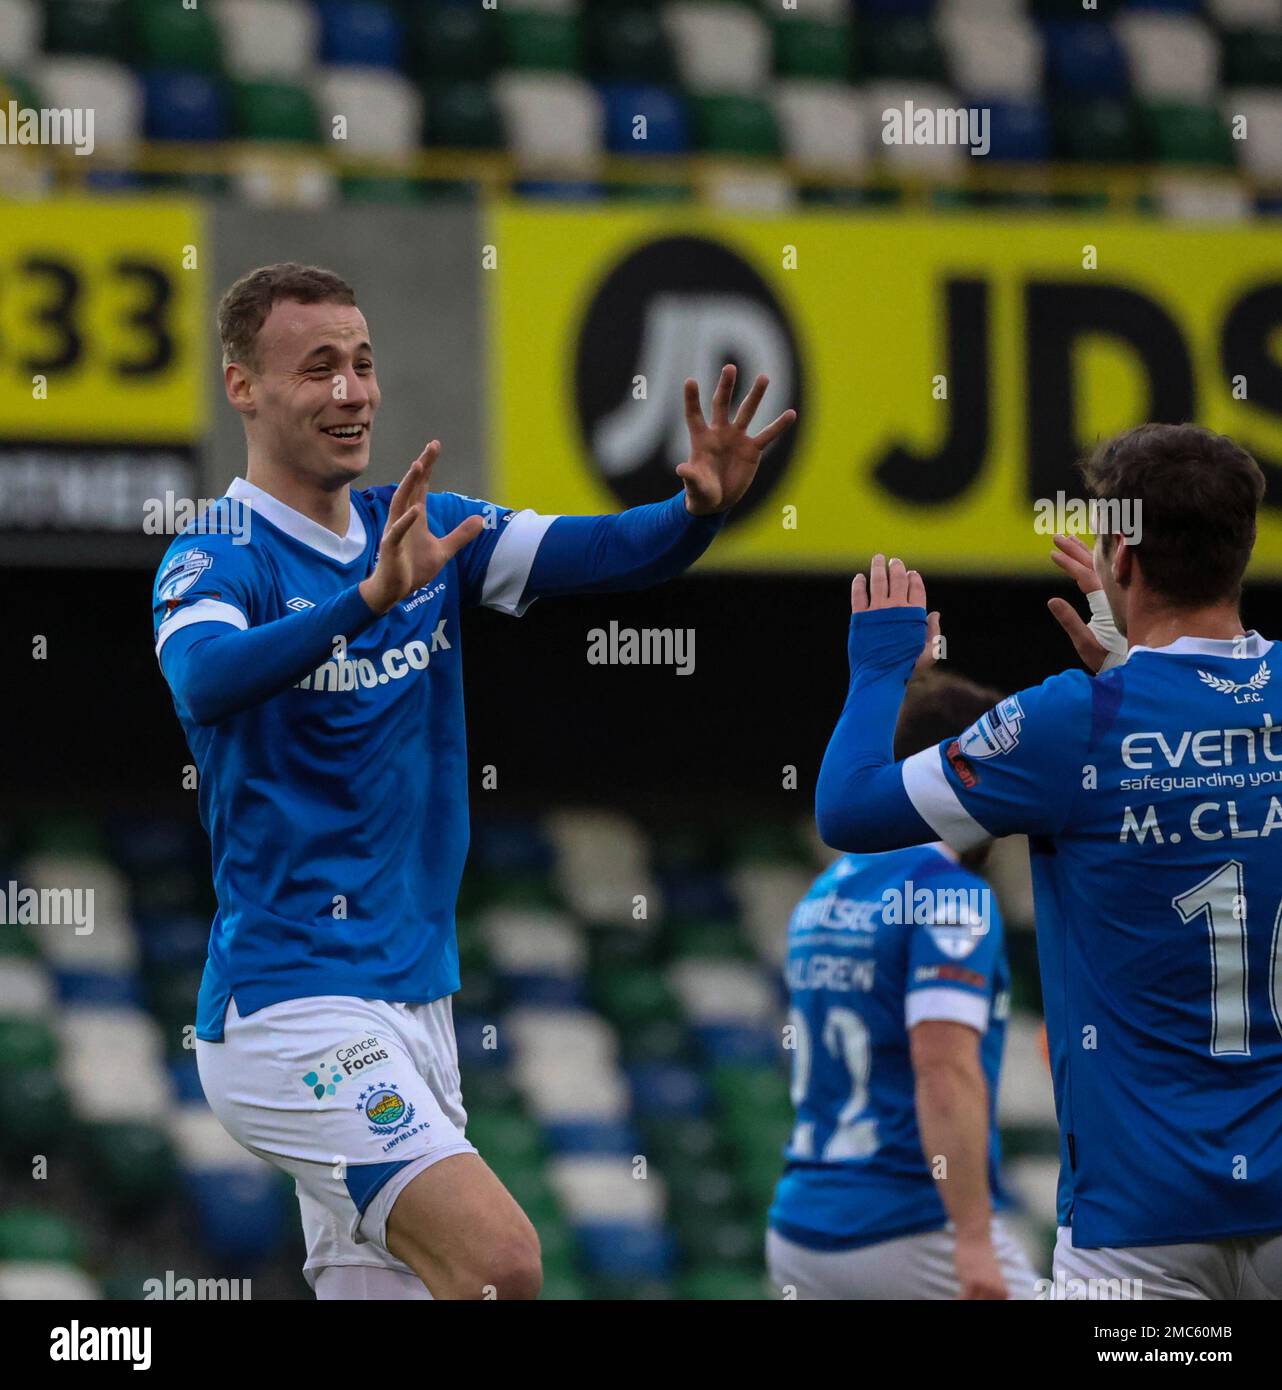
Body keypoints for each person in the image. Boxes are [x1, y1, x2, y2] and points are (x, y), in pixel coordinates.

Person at [152, 262, 795, 1299]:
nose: (352, 391)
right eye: (317, 369)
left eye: (361, 364)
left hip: (414, 1003)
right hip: (293, 1004)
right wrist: (364, 599)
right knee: (501, 1265)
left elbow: (601, 551)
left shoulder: (427, 527)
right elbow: (203, 676)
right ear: (243, 388)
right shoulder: (219, 549)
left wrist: (695, 512)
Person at [815, 424, 1282, 1300]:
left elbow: (847, 805)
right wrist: (1142, 674)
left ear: (1122, 562)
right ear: (1242, 550)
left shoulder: (1075, 724)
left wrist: (881, 668)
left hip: (1139, 1234)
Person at [768, 670, 1039, 1299]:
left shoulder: (829, 888)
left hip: (802, 1229)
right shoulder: (949, 896)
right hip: (911, 1226)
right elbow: (942, 1070)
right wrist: (973, 1236)